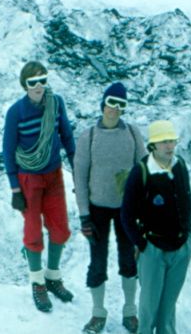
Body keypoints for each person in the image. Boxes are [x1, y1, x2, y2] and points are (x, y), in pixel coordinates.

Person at [73, 82, 146, 334]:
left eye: (120, 105)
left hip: (127, 209)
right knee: (97, 262)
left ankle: (130, 311)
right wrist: (84, 214)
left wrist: (142, 210)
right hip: (97, 209)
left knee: (129, 260)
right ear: (103, 104)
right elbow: (80, 177)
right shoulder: (89, 136)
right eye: (111, 103)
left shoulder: (133, 134)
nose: (114, 109)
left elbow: (143, 170)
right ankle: (98, 313)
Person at [3, 61, 76, 313]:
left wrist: (76, 166)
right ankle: (37, 281)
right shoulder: (16, 113)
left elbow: (66, 135)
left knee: (60, 227)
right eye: (32, 82)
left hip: (53, 175)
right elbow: (8, 150)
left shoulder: (56, 104)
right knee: (33, 230)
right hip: (29, 179)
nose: (38, 86)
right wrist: (15, 189)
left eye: (42, 80)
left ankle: (53, 276)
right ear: (25, 85)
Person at [121, 120, 191, 334]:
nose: (169, 146)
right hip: (153, 249)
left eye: (171, 141)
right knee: (149, 307)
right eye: (163, 142)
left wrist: (187, 234)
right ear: (153, 145)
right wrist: (142, 244)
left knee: (168, 307)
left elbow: (187, 201)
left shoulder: (180, 165)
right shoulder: (141, 172)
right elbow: (126, 214)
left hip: (180, 248)